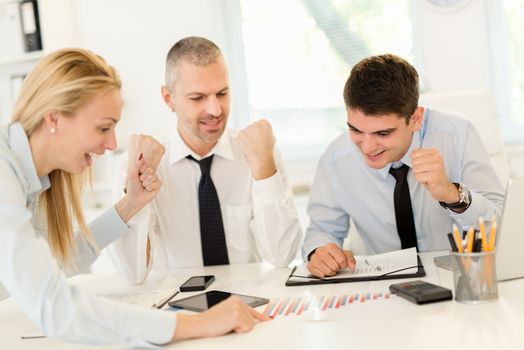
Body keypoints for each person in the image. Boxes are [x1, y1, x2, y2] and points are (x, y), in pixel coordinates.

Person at [0, 48, 269, 347]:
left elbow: (57, 260)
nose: (112, 143)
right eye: (103, 127)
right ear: (54, 119)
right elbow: (55, 306)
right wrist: (193, 324)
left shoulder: (29, 179)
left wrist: (130, 205)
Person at [108, 36, 302, 284]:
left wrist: (264, 169)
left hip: (251, 306)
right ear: (169, 99)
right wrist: (136, 194)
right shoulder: (136, 164)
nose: (215, 110)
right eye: (198, 98)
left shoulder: (260, 153)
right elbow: (132, 274)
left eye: (222, 93)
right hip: (178, 313)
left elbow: (283, 256)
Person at [303, 54, 505, 278]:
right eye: (356, 130)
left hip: (460, 279)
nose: (368, 147)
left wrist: (453, 194)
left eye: (383, 133)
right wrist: (319, 251)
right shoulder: (336, 159)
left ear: (416, 118)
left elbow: (504, 229)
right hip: (383, 288)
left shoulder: (458, 136)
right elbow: (321, 229)